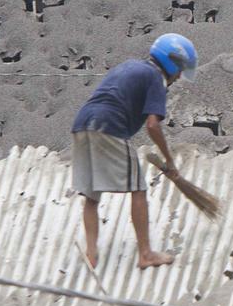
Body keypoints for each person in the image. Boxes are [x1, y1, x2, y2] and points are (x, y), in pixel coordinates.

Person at [70, 33, 198, 269]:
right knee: (138, 189)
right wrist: (169, 160)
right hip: (109, 126)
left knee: (91, 194)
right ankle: (146, 254)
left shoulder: (130, 66)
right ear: (171, 64)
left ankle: (91, 253)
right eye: (180, 70)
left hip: (82, 124)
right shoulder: (156, 78)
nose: (180, 76)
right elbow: (153, 125)